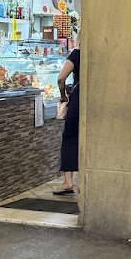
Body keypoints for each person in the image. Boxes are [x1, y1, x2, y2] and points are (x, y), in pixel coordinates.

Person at [53, 41, 80, 196]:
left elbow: (61, 78)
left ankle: (68, 182)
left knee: (69, 138)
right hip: (95, 102)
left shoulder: (76, 54)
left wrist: (63, 95)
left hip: (77, 103)